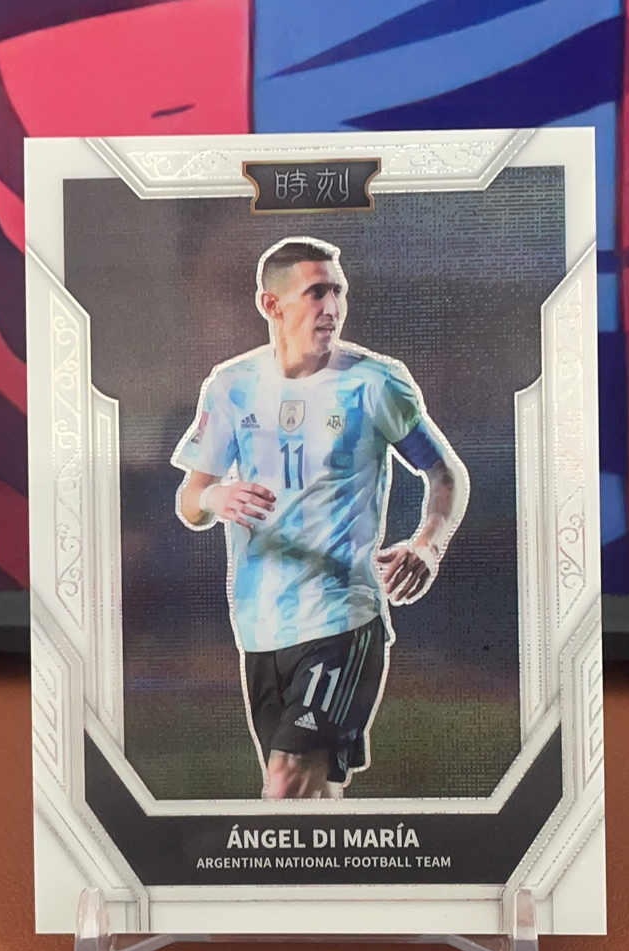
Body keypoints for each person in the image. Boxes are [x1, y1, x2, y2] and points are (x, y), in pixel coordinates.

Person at [173, 237, 468, 800]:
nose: (332, 307)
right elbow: (190, 501)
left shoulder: (375, 382)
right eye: (316, 293)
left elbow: (446, 474)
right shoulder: (232, 386)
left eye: (338, 292)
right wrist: (214, 499)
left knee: (286, 781)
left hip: (341, 618)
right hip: (259, 627)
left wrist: (428, 543)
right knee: (310, 796)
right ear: (271, 304)